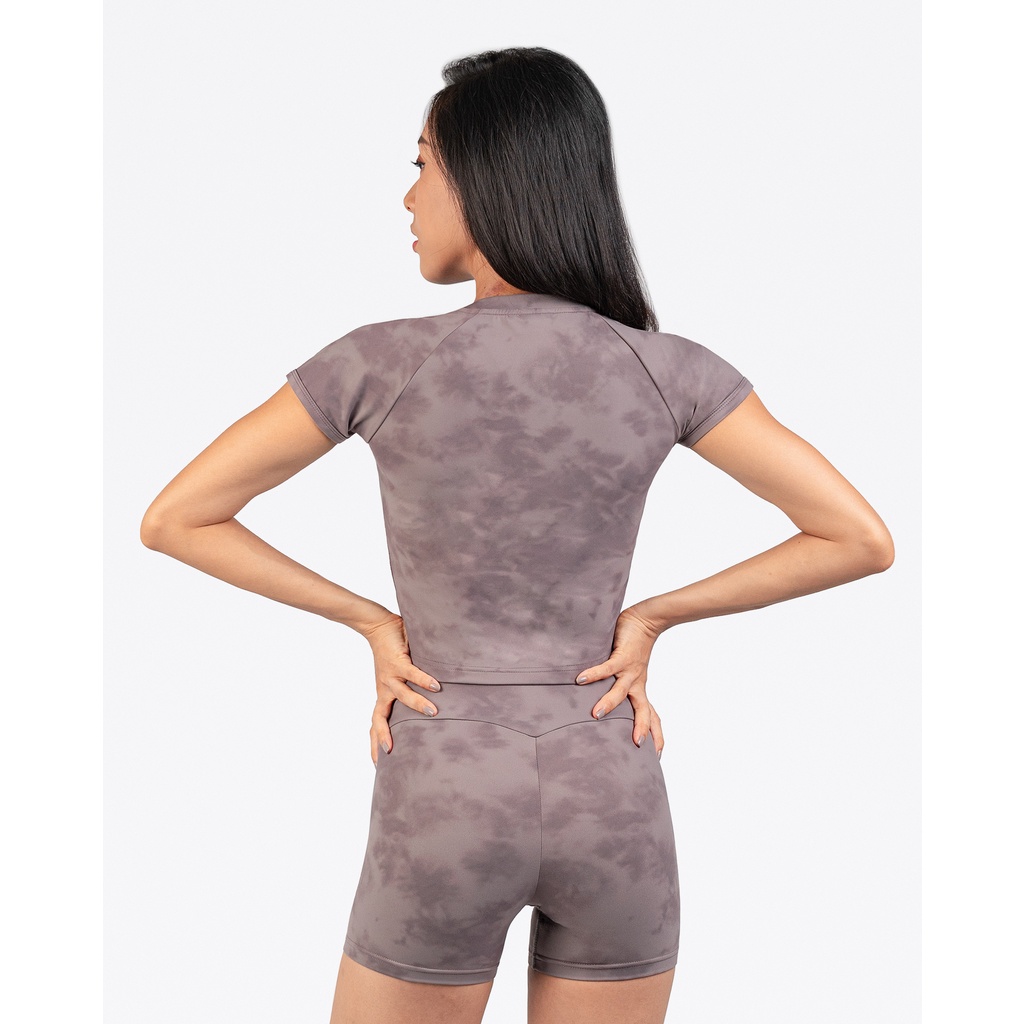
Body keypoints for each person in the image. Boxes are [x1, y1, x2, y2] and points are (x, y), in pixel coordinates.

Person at [140, 46, 894, 1024]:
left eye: (421, 164)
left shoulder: (379, 362)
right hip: (610, 784)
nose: (408, 197)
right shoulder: (667, 369)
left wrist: (373, 622)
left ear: (483, 175)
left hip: (445, 787)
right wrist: (651, 618)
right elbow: (857, 537)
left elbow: (177, 517)